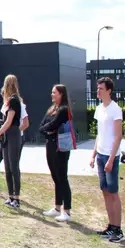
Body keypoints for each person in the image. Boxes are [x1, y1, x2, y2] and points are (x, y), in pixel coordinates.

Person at [90, 76, 124, 242]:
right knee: (105, 191)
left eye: (101, 88)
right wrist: (94, 154)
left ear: (109, 90)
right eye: (97, 88)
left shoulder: (115, 109)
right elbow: (99, 134)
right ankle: (111, 226)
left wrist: (111, 159)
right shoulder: (99, 108)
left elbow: (118, 136)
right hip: (101, 155)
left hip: (111, 155)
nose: (98, 91)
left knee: (113, 192)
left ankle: (118, 229)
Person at [39, 84, 73, 222]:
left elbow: (54, 124)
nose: (52, 94)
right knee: (55, 177)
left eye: (54, 92)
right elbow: (42, 126)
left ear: (61, 94)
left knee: (62, 177)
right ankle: (57, 207)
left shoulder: (64, 110)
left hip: (60, 147)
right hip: (50, 145)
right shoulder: (52, 109)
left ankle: (67, 211)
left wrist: (48, 129)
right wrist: (48, 130)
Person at [0, 74, 23, 208]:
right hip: (7, 135)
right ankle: (10, 196)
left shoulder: (14, 100)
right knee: (7, 167)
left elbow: (9, 121)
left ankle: (16, 198)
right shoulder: (8, 101)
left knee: (14, 166)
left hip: (13, 133)